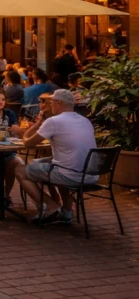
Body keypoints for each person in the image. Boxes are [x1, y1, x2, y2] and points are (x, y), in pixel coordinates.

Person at [13, 89, 97, 224]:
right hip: (90, 174)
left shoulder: (54, 121)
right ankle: (66, 212)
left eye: (51, 102)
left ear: (59, 103)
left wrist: (37, 124)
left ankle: (49, 206)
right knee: (45, 163)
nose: (50, 105)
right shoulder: (85, 120)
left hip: (71, 175)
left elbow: (28, 142)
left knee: (20, 170)